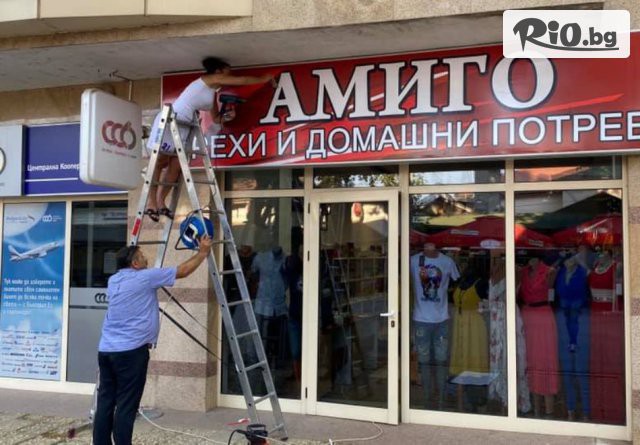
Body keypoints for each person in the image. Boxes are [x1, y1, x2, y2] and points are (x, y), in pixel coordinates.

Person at [92, 235, 213, 445]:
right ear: (134, 263)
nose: (146, 259)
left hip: (106, 350)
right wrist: (202, 252)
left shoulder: (114, 280)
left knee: (105, 401)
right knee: (127, 405)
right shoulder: (145, 277)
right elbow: (183, 271)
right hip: (130, 353)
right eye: (142, 256)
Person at [144, 57, 275, 222]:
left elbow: (216, 118)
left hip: (184, 127)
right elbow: (242, 80)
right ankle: (151, 203)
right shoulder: (209, 79)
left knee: (176, 167)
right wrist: (265, 78)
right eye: (227, 71)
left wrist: (227, 116)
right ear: (218, 71)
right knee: (159, 162)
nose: (229, 74)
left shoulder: (212, 91)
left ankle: (161, 201)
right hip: (170, 121)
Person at [410, 242, 460, 410]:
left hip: (441, 320)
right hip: (421, 319)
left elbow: (456, 281)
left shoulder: (447, 262)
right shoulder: (412, 261)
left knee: (441, 361)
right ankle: (427, 399)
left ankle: (440, 400)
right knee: (424, 362)